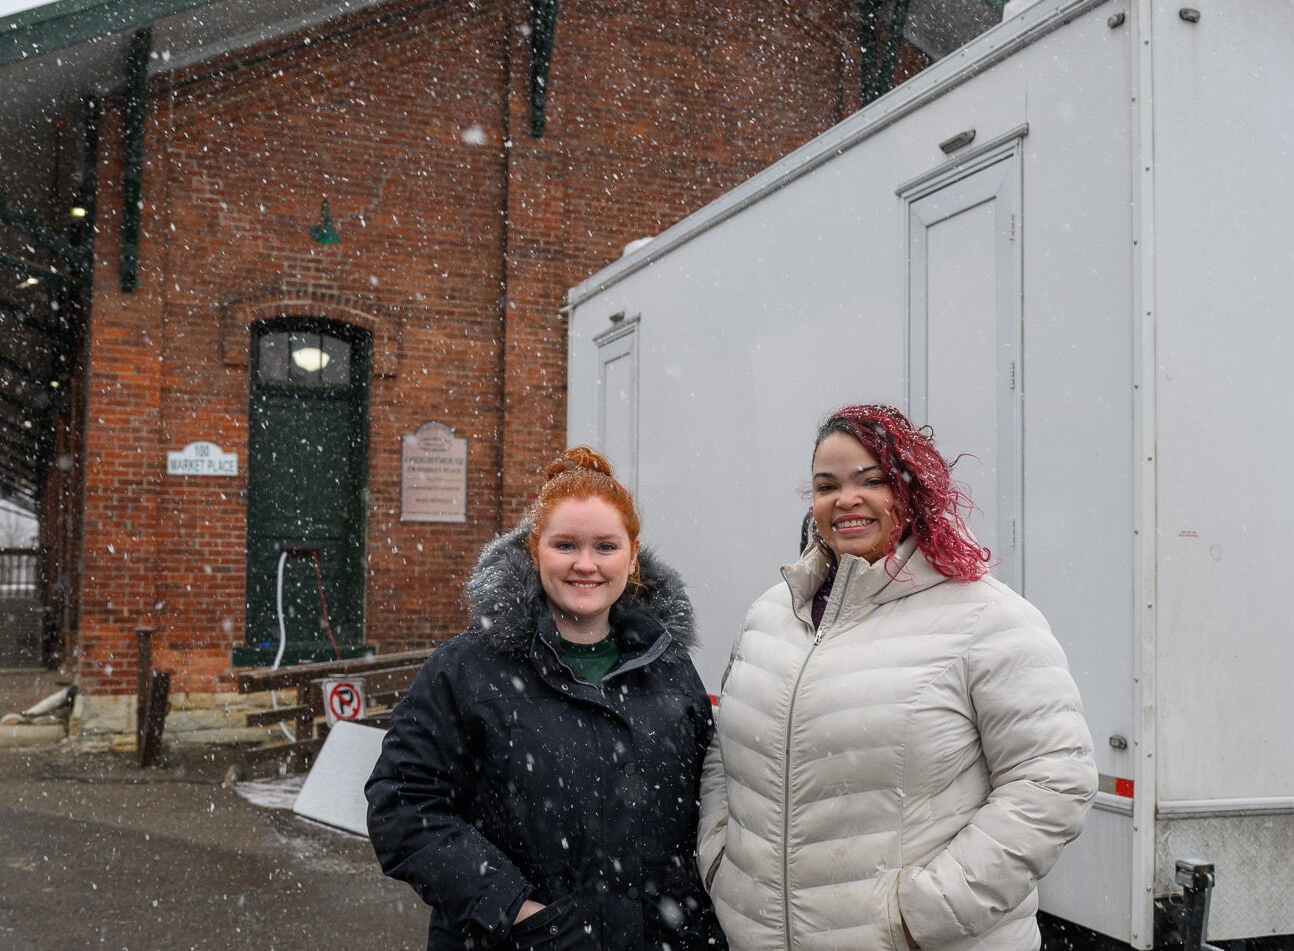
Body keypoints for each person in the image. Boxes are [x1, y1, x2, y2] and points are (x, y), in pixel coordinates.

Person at [698, 404, 1096, 951]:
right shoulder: (771, 614)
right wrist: (720, 860)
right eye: (826, 485)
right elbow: (728, 751)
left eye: (872, 480)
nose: (846, 500)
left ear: (911, 490)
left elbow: (1054, 780)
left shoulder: (987, 617)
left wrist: (924, 915)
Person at [367, 446, 724, 950]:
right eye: (565, 546)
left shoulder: (668, 666)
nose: (586, 565)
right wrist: (514, 908)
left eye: (605, 546)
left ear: (633, 554)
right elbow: (402, 805)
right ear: (535, 550)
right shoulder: (467, 669)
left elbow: (705, 810)